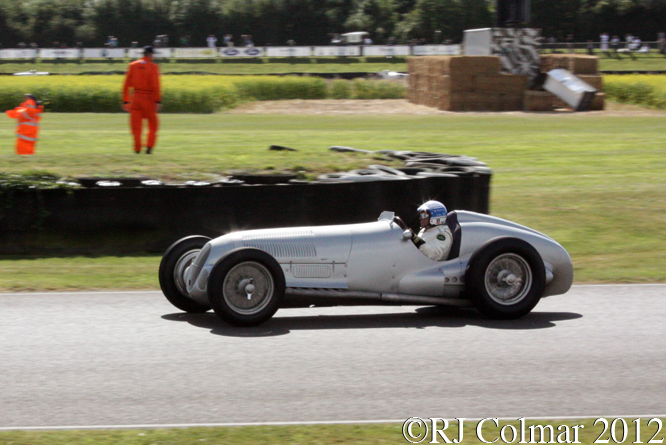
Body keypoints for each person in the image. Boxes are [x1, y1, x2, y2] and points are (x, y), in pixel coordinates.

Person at [122, 46, 161, 154]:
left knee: (136, 126)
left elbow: (126, 85)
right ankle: (149, 147)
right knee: (153, 125)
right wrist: (157, 101)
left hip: (136, 98)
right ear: (150, 54)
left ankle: (137, 148)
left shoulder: (133, 65)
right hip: (148, 99)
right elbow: (156, 86)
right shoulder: (153, 67)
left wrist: (126, 101)